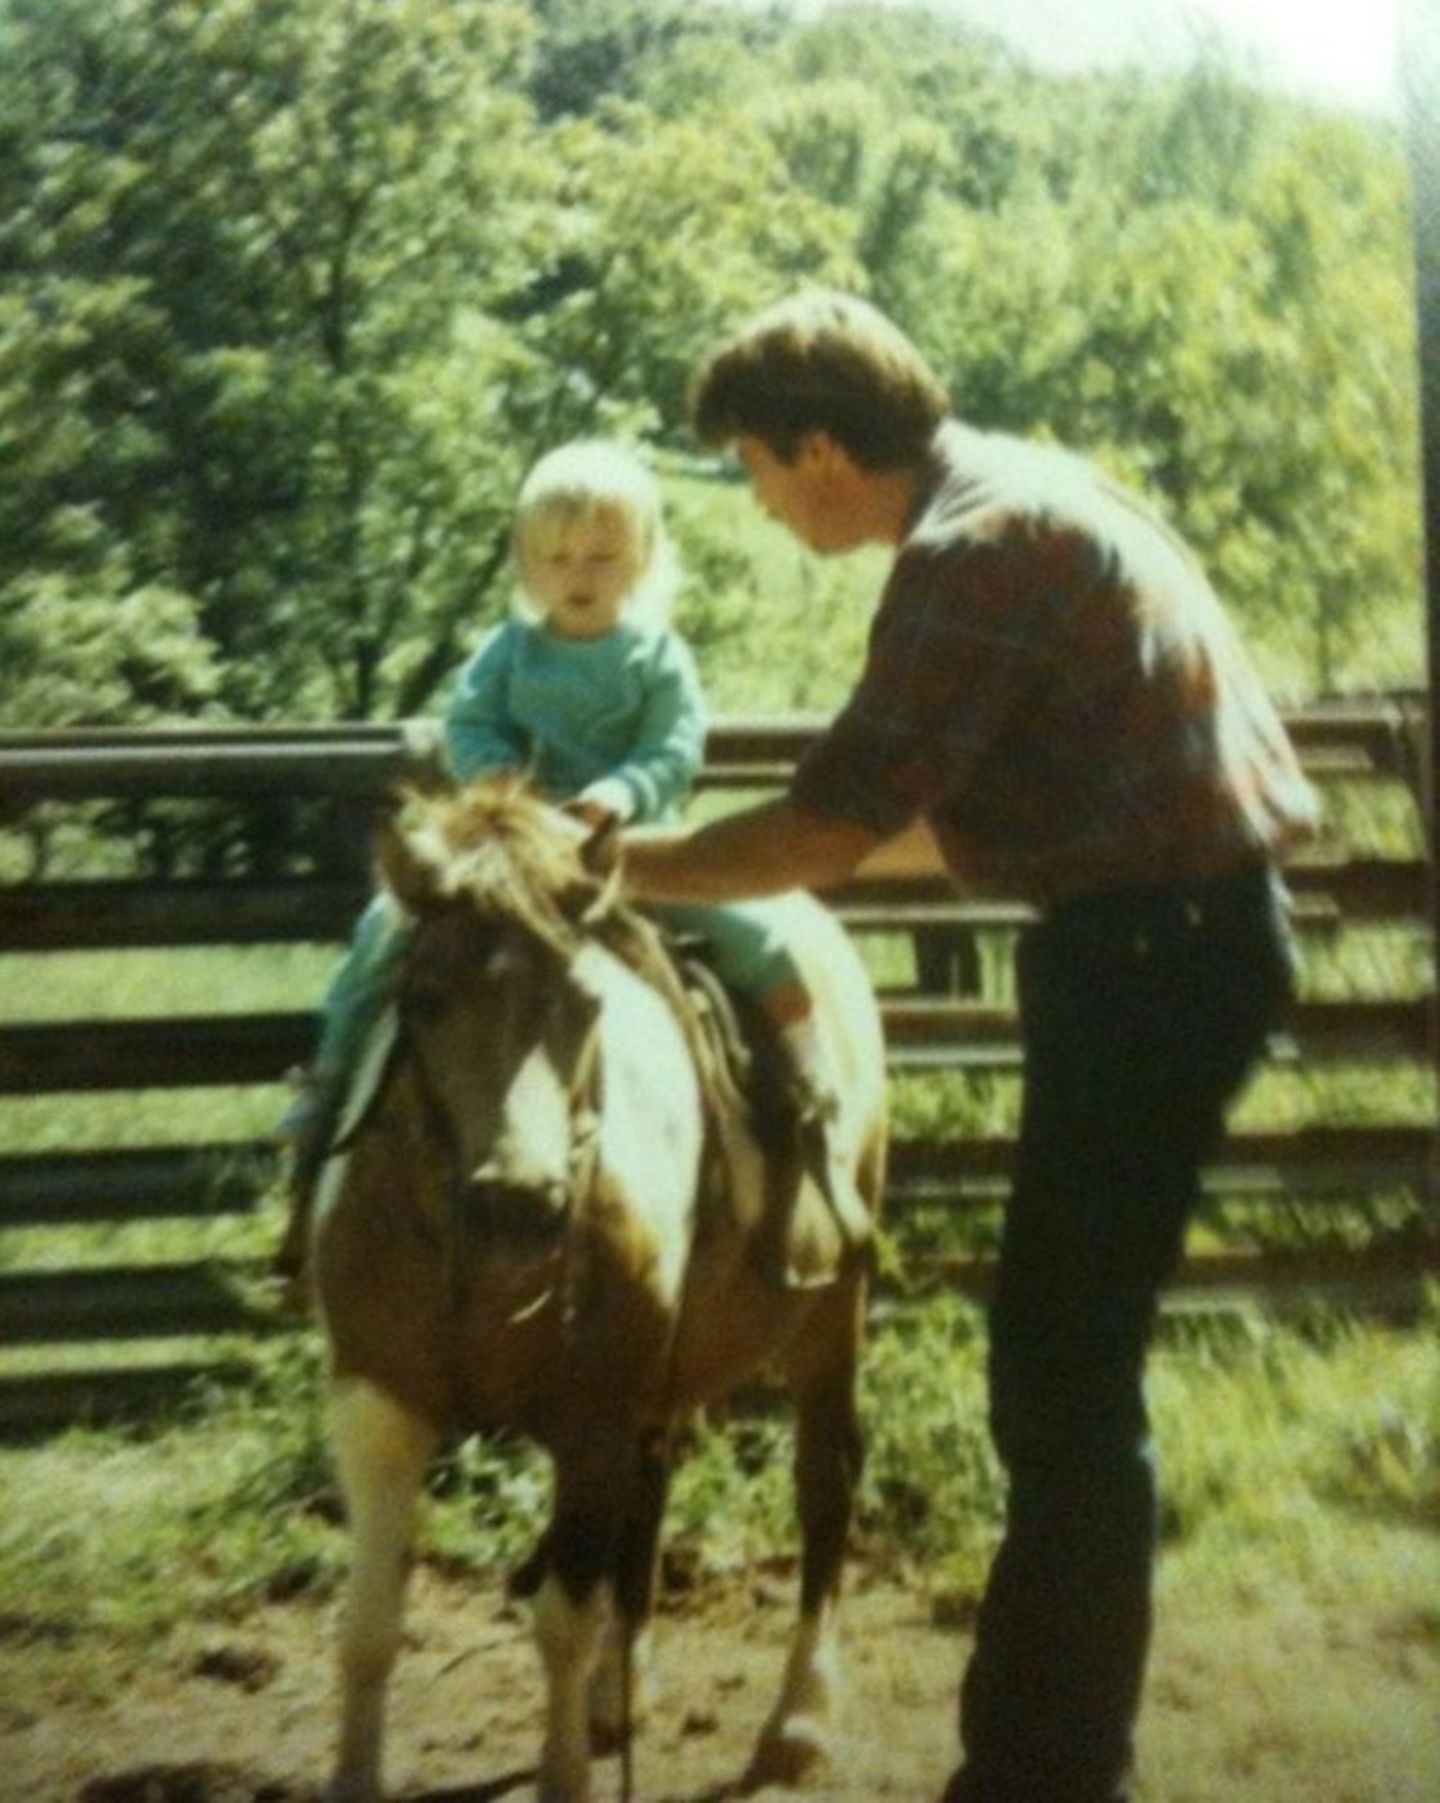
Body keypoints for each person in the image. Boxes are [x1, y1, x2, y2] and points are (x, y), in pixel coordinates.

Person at [619, 289, 1318, 1803]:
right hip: (1170, 942)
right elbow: (917, 819)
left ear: (816, 447)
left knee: (1062, 1377)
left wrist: (619, 870)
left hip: (1154, 954)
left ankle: (1047, 1775)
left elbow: (830, 821)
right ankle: (1047, 1761)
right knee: (1065, 1367)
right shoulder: (1029, 489)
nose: (753, 495)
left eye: (749, 461)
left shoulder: (968, 553)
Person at [273, 437, 867, 1291]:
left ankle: (810, 1088)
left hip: (629, 852)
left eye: (601, 555)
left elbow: (673, 746)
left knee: (760, 934)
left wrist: (619, 794)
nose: (577, 574)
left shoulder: (656, 656)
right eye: (555, 557)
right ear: (526, 563)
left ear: (643, 558)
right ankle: (329, 1080)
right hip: (514, 852)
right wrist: (506, 793)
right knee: (385, 929)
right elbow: (469, 729)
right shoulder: (507, 655)